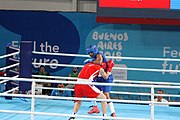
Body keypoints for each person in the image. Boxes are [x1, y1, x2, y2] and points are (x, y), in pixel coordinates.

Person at [84, 45, 116, 117]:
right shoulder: (95, 57)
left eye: (91, 53)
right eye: (89, 53)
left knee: (106, 95)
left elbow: (99, 62)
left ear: (94, 50)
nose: (90, 55)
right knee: (92, 90)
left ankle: (113, 112)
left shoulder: (99, 54)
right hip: (99, 77)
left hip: (106, 77)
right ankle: (95, 108)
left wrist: (90, 62)